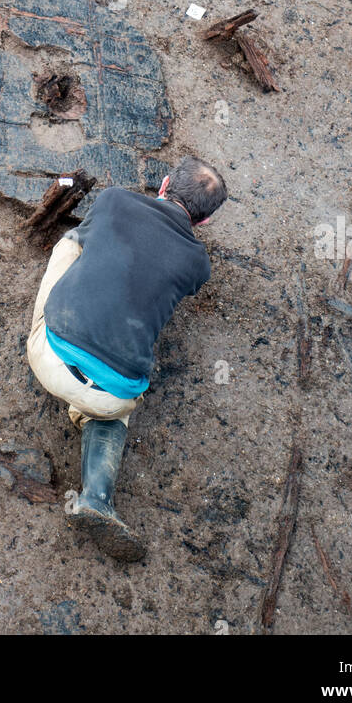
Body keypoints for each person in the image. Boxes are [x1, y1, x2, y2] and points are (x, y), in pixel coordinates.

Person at [26, 157, 227, 561]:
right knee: (113, 414)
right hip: (113, 393)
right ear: (204, 223)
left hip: (48, 355)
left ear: (164, 183)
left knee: (74, 242)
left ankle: (60, 348)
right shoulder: (198, 264)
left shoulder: (114, 200)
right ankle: (97, 498)